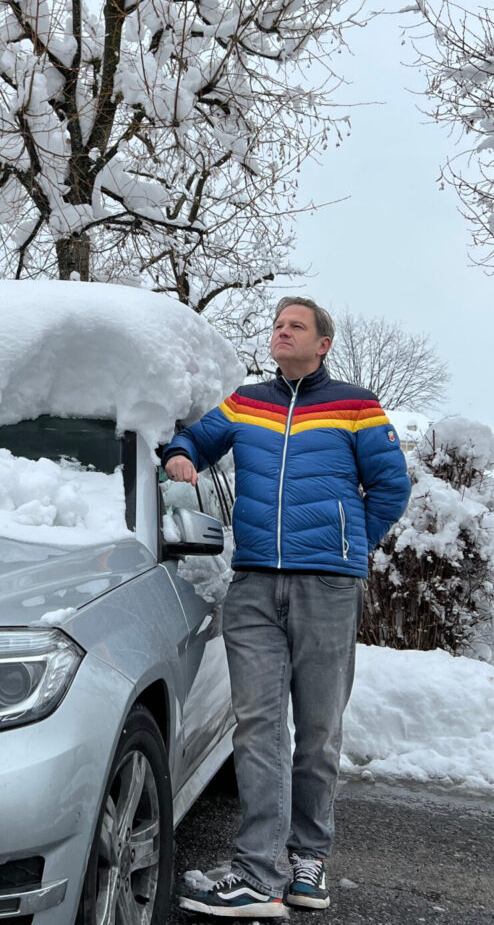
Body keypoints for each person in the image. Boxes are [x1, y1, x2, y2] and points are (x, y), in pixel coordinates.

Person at [165, 297, 410, 918]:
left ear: (323, 343)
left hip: (326, 587)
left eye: (295, 326)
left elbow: (391, 486)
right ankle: (258, 873)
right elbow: (197, 435)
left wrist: (348, 543)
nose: (281, 332)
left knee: (319, 731)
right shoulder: (248, 401)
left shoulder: (356, 406)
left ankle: (307, 864)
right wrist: (182, 454)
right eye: (277, 324)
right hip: (252, 586)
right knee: (258, 729)